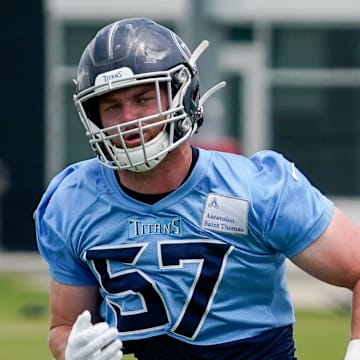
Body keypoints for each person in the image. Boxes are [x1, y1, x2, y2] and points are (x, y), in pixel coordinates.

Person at [34, 17, 360, 360]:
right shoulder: (73, 200)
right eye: (112, 106)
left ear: (182, 95)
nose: (128, 118)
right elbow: (65, 326)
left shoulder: (257, 188)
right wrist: (72, 352)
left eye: (144, 98)